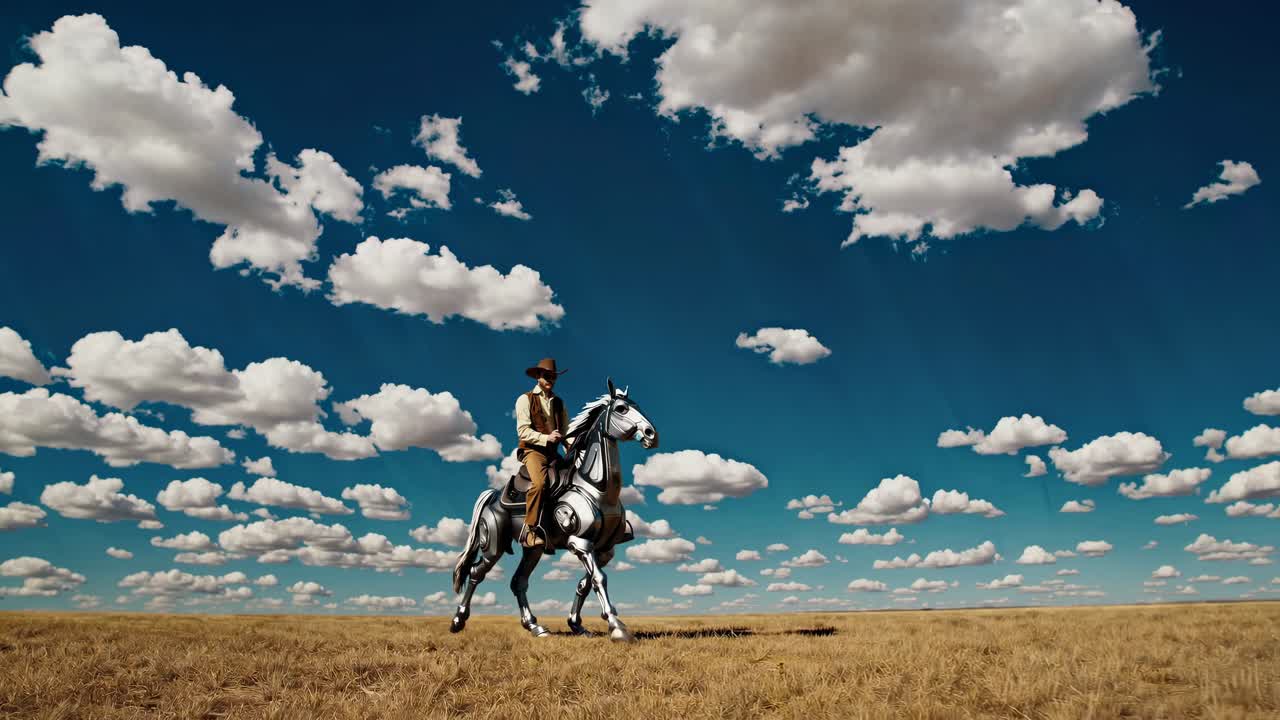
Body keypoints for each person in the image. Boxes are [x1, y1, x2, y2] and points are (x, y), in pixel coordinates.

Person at [514, 357, 571, 548]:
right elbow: (523, 431)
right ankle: (529, 531)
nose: (550, 380)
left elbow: (566, 431)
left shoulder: (560, 403)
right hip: (533, 451)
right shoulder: (525, 399)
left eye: (553, 377)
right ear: (538, 376)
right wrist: (546, 438)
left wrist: (570, 446)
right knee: (539, 484)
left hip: (553, 453)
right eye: (547, 376)